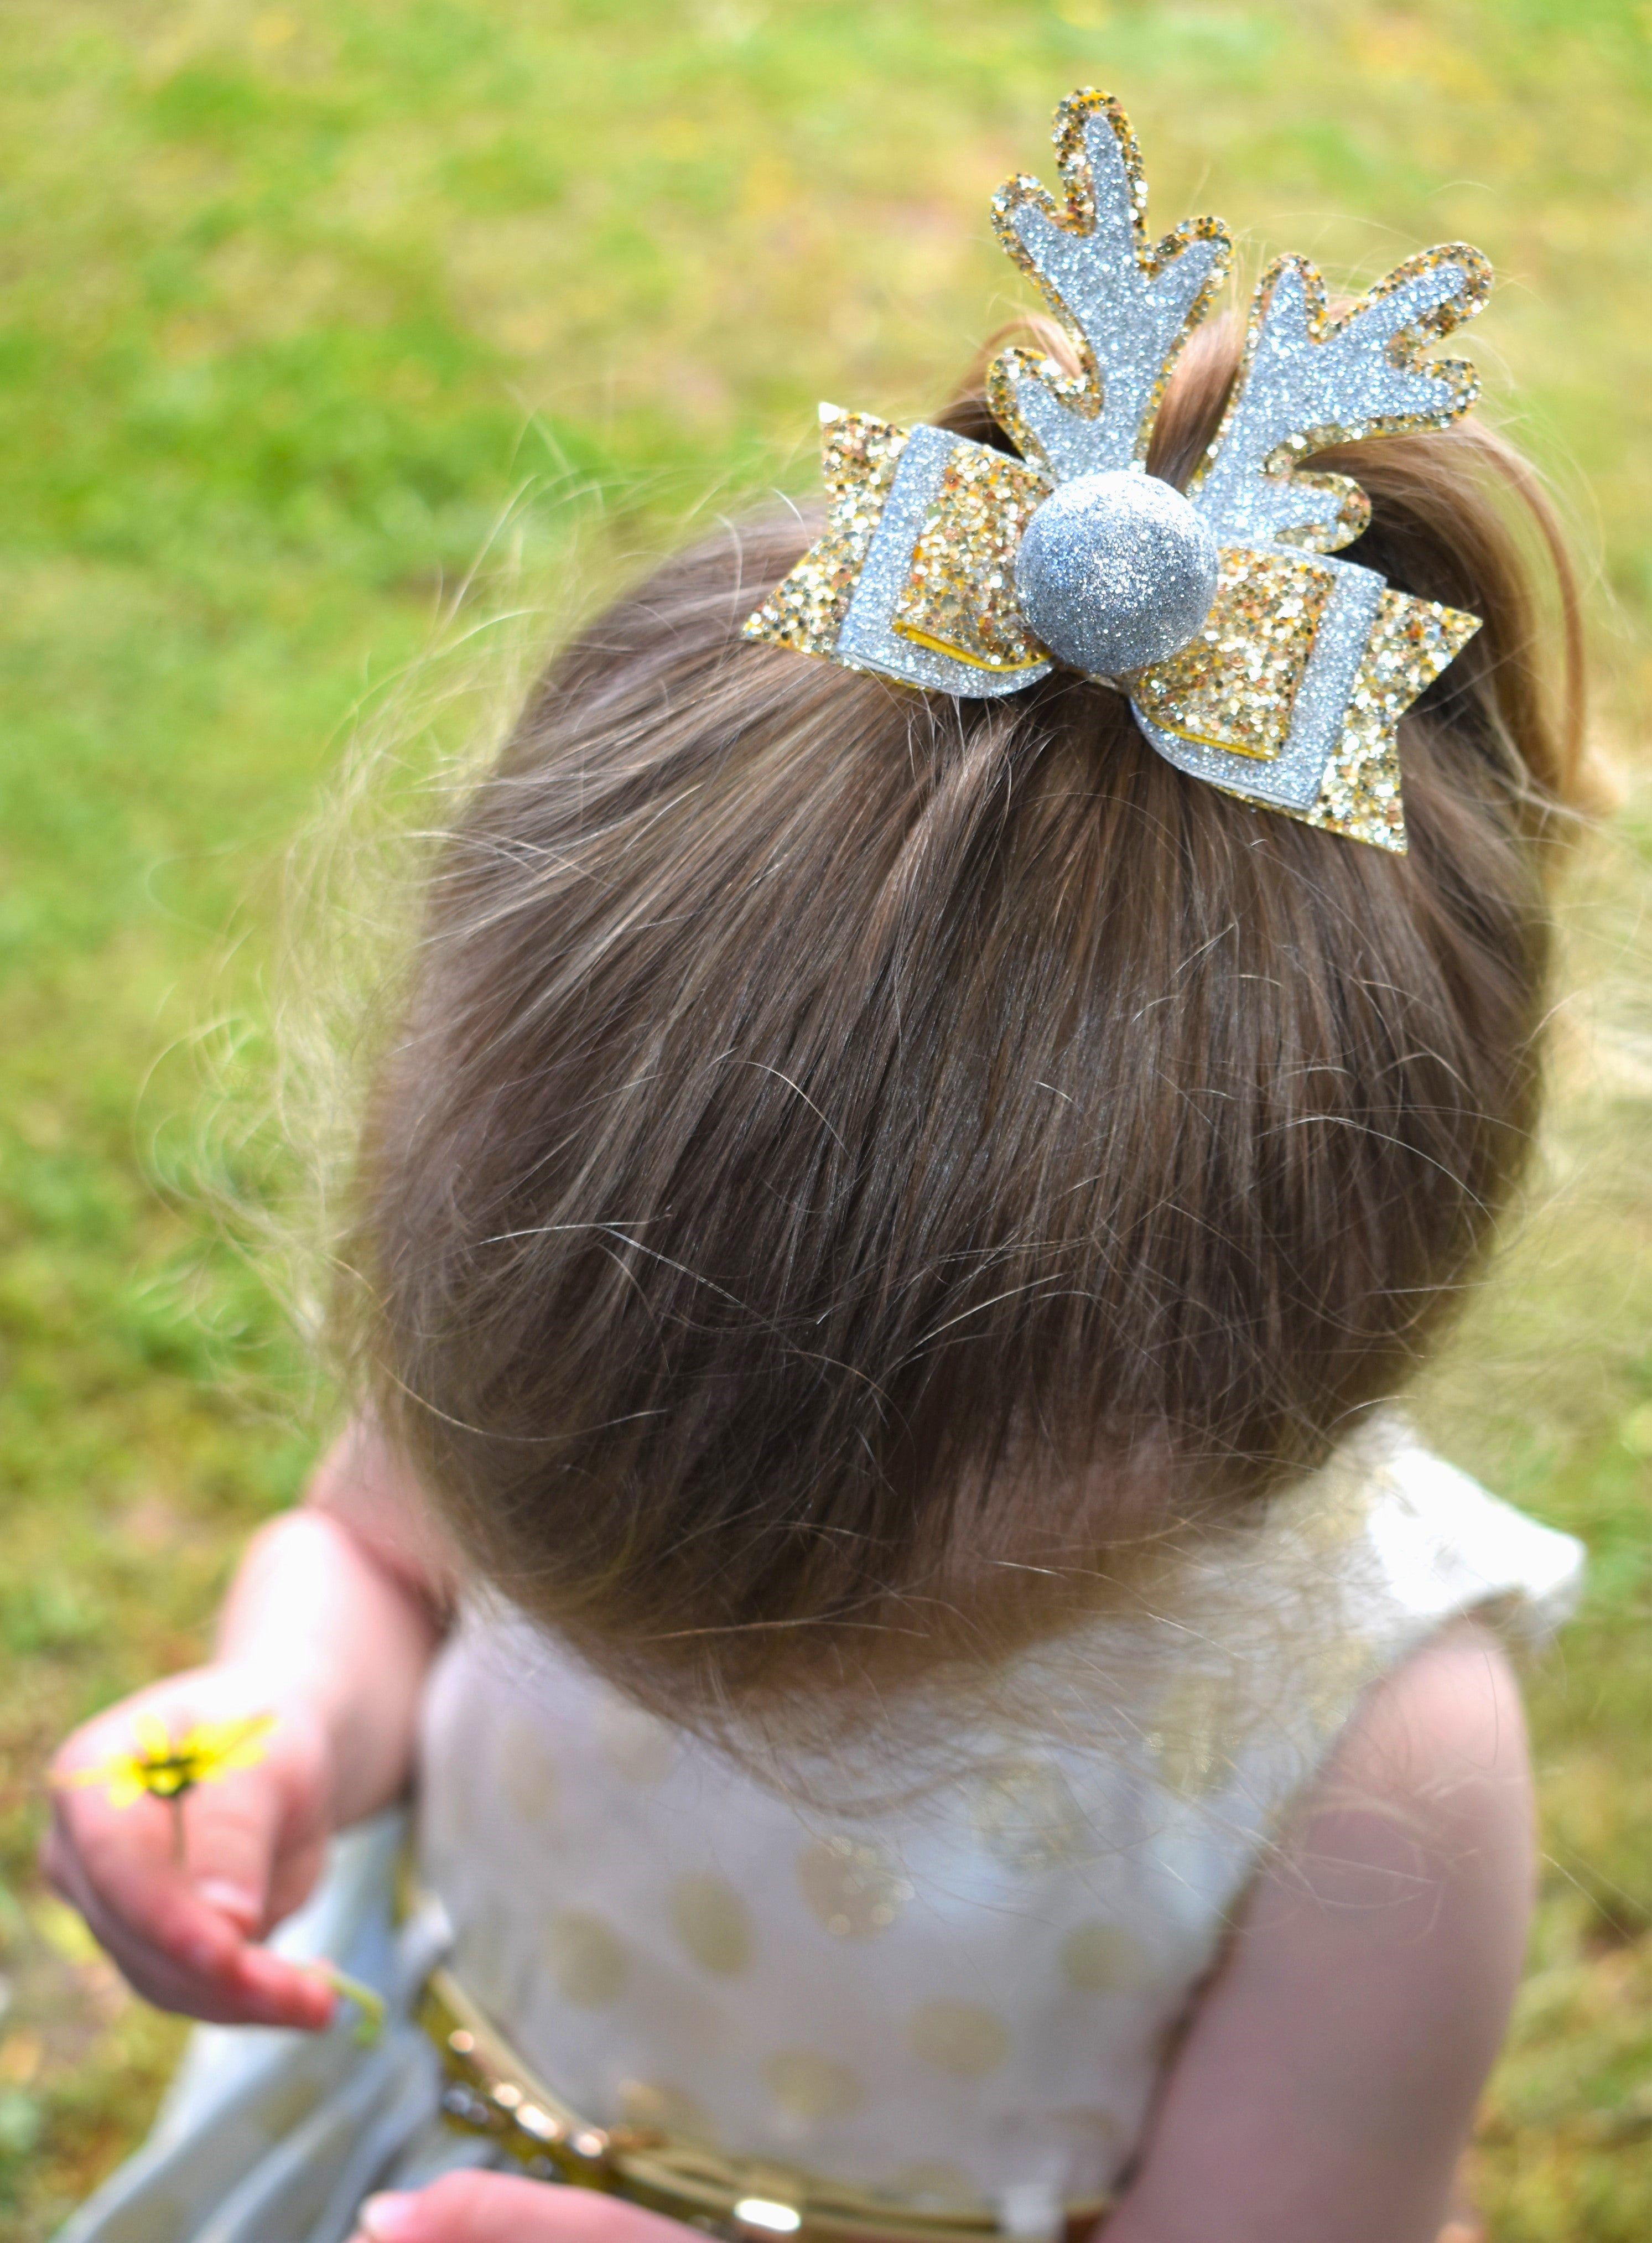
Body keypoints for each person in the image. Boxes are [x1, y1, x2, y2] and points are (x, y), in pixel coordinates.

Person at [46, 90, 1592, 2243]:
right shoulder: (578, 1290)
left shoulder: (1376, 1754)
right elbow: (375, 1565)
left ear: (1255, 1435)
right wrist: (258, 1729)